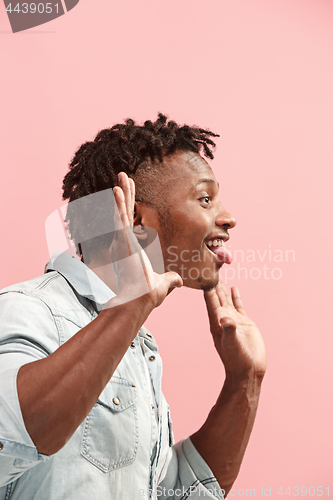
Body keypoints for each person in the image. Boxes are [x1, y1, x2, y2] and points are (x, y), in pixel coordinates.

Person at [0, 114, 267, 500]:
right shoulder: (27, 310)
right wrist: (129, 307)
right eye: (205, 199)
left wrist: (245, 381)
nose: (228, 217)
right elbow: (11, 439)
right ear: (138, 221)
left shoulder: (138, 346)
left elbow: (172, 494)